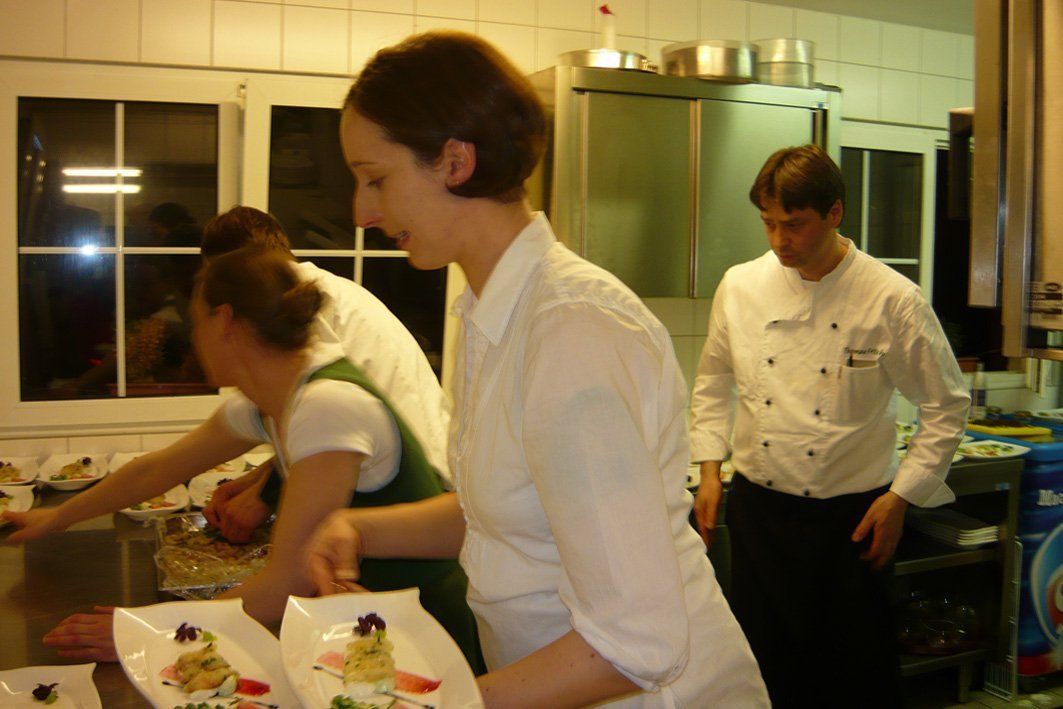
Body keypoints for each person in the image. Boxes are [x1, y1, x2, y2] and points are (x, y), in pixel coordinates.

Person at [303, 31, 768, 708]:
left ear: (455, 161)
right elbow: (505, 513)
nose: (361, 212)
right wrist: (360, 527)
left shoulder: (569, 332)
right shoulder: (490, 313)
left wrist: (446, 704)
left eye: (376, 179)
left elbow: (638, 643)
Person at [2, 246, 481, 670]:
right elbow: (158, 469)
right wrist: (57, 517)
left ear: (224, 320)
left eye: (197, 321)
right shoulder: (270, 400)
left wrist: (148, 630)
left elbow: (286, 582)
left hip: (431, 633)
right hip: (377, 626)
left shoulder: (327, 405)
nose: (193, 339)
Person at [689, 144, 970, 707]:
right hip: (760, 514)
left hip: (852, 520)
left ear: (835, 213)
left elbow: (946, 405)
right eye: (768, 222)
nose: (778, 240)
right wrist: (710, 470)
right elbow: (714, 380)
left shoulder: (892, 299)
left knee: (853, 674)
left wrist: (900, 498)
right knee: (762, 666)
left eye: (794, 224)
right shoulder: (740, 285)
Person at [198, 205, 451, 543]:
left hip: (416, 491)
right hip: (412, 474)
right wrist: (255, 480)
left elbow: (328, 420)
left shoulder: (294, 305)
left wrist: (263, 496)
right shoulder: (319, 290)